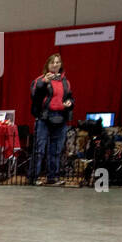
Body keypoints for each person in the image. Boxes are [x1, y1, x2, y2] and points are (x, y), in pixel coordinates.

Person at [29, 52, 73, 186]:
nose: (55, 65)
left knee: (56, 150)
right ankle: (33, 177)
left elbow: (70, 97)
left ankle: (52, 177)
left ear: (61, 65)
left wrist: (70, 103)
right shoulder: (39, 80)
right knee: (39, 149)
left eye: (57, 62)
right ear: (48, 65)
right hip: (44, 117)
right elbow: (34, 97)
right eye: (52, 62)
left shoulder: (66, 82)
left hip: (60, 117)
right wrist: (43, 83)